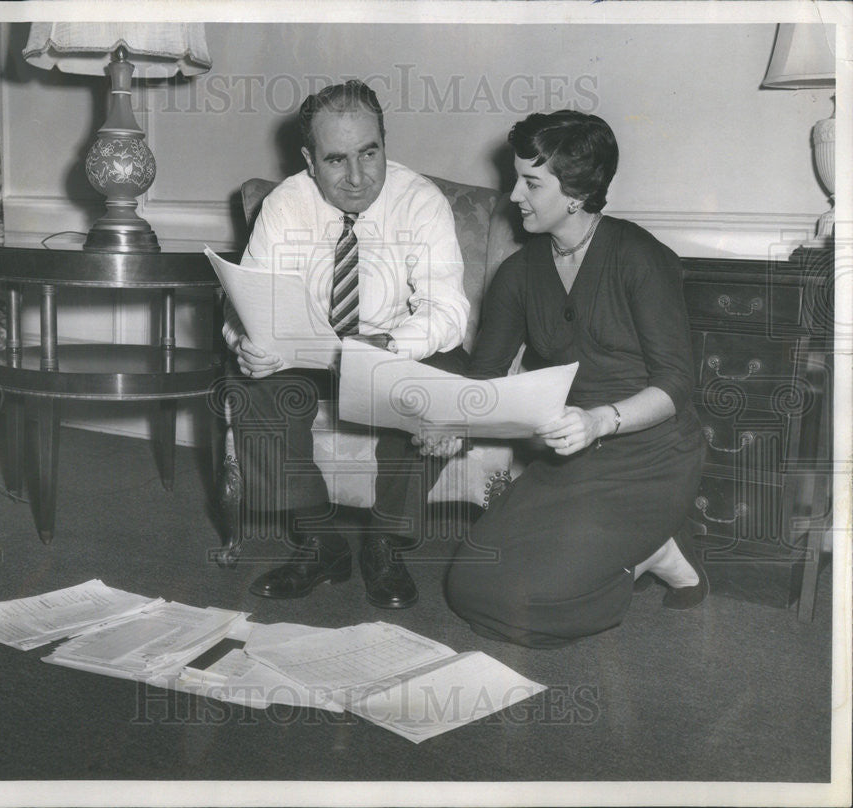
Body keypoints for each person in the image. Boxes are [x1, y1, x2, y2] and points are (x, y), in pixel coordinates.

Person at [439, 110, 706, 647]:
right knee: (468, 587)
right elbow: (485, 376)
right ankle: (640, 550)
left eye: (531, 182)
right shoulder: (518, 273)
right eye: (516, 178)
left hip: (651, 455)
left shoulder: (639, 257)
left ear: (578, 191)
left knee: (532, 605)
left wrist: (598, 421)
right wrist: (450, 420)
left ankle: (653, 554)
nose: (513, 195)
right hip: (566, 456)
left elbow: (676, 385)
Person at [223, 80, 470, 609]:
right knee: (249, 383)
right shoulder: (286, 204)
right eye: (337, 160)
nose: (358, 177)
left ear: (384, 142)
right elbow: (245, 299)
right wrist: (248, 341)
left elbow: (447, 311)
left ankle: (385, 541)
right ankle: (319, 540)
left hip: (389, 349)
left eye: (370, 153)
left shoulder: (420, 203)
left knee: (441, 374)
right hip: (306, 355)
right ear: (310, 160)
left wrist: (387, 345)